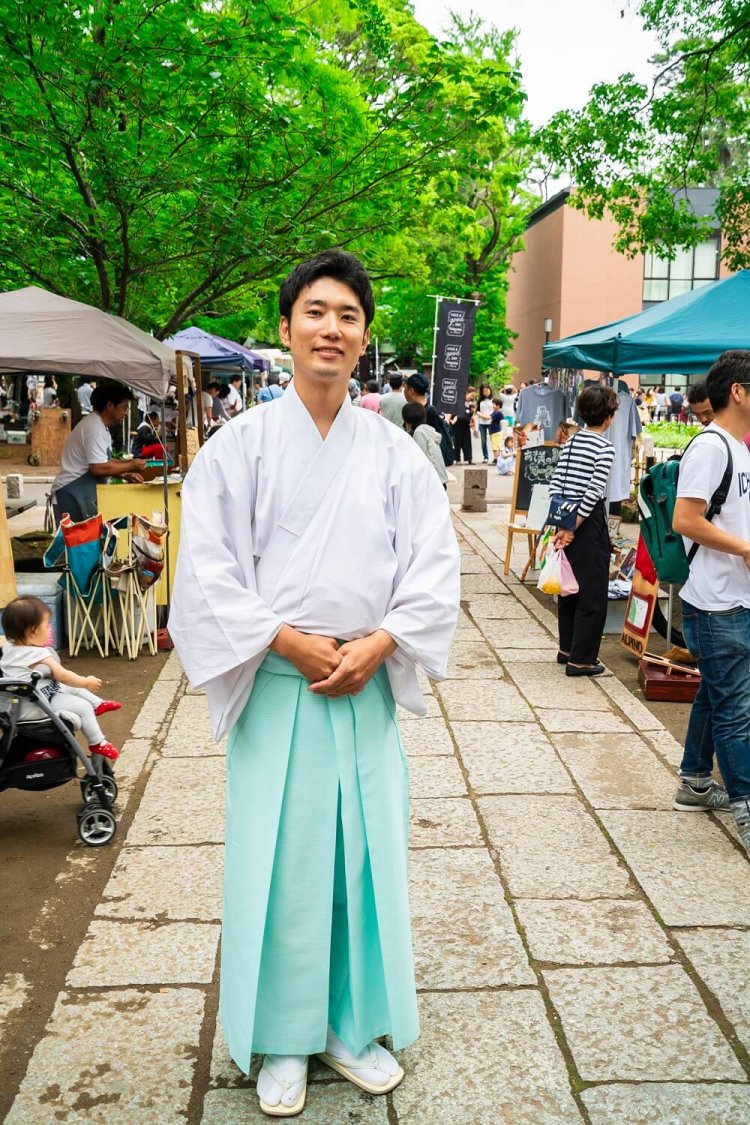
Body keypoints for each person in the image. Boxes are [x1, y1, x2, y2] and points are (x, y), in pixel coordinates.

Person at [169, 249, 460, 1118]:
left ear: (365, 337)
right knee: (283, 863)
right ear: (288, 324)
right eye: (316, 312)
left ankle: (349, 1023)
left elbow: (433, 565)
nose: (331, 329)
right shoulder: (239, 445)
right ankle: (285, 1035)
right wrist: (288, 641)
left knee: (360, 858)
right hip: (280, 685)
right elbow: (210, 572)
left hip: (362, 680)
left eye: (348, 316)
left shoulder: (396, 454)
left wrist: (384, 640)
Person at [671, 351, 750, 854]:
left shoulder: (739, 448)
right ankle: (746, 805)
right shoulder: (713, 446)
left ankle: (695, 781)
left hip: (732, 596)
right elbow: (685, 519)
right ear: (738, 390)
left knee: (718, 693)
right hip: (716, 600)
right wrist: (745, 549)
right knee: (737, 708)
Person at [550, 385, 618, 677]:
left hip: (562, 516)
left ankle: (566, 649)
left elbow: (554, 484)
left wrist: (562, 527)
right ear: (609, 417)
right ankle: (582, 660)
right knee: (591, 593)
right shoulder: (604, 447)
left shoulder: (571, 442)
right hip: (586, 524)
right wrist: (574, 527)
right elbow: (593, 493)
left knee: (568, 587)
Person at [1, 596, 121, 760]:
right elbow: (63, 675)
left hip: (20, 703)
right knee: (82, 705)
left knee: (66, 687)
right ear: (33, 631)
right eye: (46, 625)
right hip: (36, 708)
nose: (49, 629)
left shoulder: (10, 646)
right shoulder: (37, 654)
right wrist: (86, 682)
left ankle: (98, 704)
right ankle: (97, 742)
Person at [51, 384, 145, 525]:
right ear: (110, 405)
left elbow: (105, 460)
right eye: (124, 408)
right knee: (77, 544)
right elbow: (98, 468)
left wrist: (125, 472)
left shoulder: (100, 426)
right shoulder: (93, 427)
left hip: (79, 493)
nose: (125, 413)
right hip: (71, 494)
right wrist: (130, 465)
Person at [402, 402, 448, 487]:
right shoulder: (427, 429)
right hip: (440, 479)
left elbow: (420, 459)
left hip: (433, 481)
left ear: (409, 421)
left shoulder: (419, 432)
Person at [476, 382, 494, 463]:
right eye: (484, 391)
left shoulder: (493, 399)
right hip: (482, 423)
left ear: (490, 390)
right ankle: (485, 456)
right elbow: (477, 411)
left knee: (493, 440)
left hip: (491, 422)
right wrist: (481, 415)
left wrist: (489, 416)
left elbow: (497, 410)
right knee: (483, 441)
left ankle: (496, 456)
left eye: (487, 390)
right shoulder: (480, 401)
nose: (486, 392)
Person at [489, 397, 504, 461]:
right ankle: (496, 458)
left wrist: (479, 414)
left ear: (498, 405)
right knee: (494, 446)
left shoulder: (498, 413)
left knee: (496, 446)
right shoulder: (495, 412)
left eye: (493, 404)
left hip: (496, 431)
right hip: (494, 431)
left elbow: (488, 417)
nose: (492, 405)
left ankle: (497, 459)